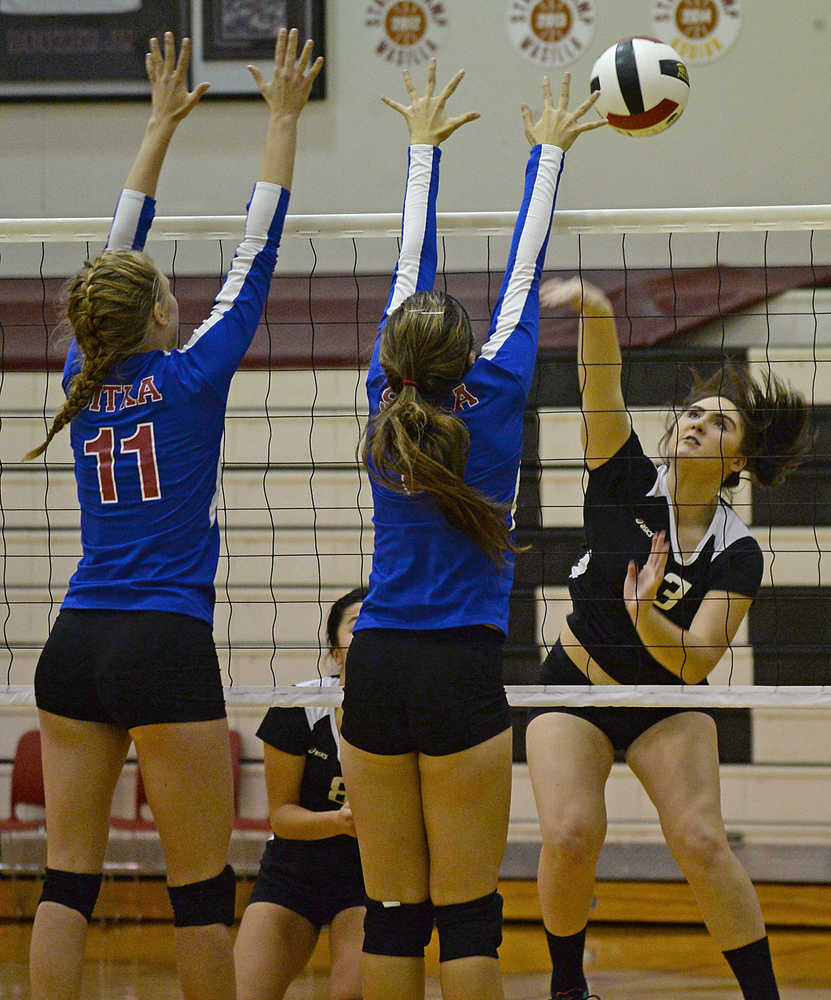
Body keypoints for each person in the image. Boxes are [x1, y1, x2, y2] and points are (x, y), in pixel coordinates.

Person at [24, 28, 322, 1000]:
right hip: (162, 642)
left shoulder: (79, 376)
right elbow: (257, 245)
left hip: (76, 642)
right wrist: (282, 121)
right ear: (156, 316)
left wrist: (156, 127)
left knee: (67, 877)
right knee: (199, 891)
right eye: (168, 293)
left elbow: (115, 253)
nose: (180, 296)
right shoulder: (192, 377)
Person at [337, 63, 606, 1000]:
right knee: (467, 919)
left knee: (393, 917)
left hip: (372, 666)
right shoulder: (493, 396)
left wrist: (421, 147)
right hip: (460, 669)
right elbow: (525, 269)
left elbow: (411, 264)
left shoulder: (382, 396)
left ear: (394, 355)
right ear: (464, 352)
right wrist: (549, 151)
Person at [526, 277, 812, 1000]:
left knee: (700, 842)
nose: (694, 424)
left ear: (738, 462)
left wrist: (647, 610)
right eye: (691, 413)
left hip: (665, 698)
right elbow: (602, 383)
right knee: (568, 833)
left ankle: (762, 995)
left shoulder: (735, 549)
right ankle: (568, 987)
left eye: (718, 425)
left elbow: (699, 658)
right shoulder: (622, 477)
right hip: (575, 685)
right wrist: (595, 312)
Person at [234, 588, 367, 1000]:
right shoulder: (299, 705)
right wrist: (342, 821)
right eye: (355, 625)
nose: (366, 635)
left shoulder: (410, 713)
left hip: (369, 878)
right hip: (294, 870)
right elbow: (282, 817)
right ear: (335, 649)